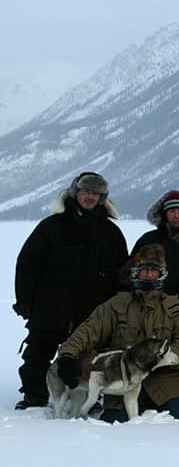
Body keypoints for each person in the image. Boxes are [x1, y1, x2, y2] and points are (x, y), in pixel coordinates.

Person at [13, 172, 128, 409]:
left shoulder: (111, 233)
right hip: (50, 303)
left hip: (92, 307)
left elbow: (121, 272)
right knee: (39, 351)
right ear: (75, 193)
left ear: (102, 198)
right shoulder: (50, 227)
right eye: (86, 192)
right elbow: (27, 265)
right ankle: (35, 395)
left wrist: (117, 307)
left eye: (95, 194)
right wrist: (25, 300)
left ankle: (86, 396)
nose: (90, 197)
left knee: (89, 355)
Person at [54, 244, 179, 422]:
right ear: (135, 273)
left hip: (166, 381)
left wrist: (167, 358)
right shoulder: (116, 305)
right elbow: (87, 330)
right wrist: (67, 355)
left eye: (154, 270)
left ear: (162, 274)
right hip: (120, 379)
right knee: (115, 422)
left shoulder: (175, 308)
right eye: (143, 270)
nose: (148, 274)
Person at [131, 189, 179, 396]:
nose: (176, 215)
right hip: (154, 306)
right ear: (164, 213)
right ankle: (145, 392)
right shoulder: (148, 240)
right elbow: (131, 272)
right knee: (152, 348)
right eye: (172, 210)